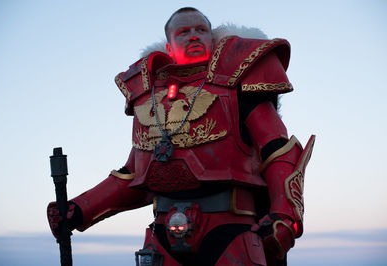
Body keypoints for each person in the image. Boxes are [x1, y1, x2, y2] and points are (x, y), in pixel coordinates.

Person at [47, 7, 315, 266]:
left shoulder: (239, 84)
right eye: (184, 31)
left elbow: (277, 150)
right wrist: (79, 209)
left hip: (230, 229)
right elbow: (134, 174)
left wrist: (283, 213)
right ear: (169, 46)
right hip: (164, 233)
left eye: (201, 29)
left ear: (212, 36)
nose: (194, 35)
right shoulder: (148, 97)